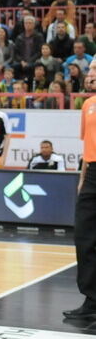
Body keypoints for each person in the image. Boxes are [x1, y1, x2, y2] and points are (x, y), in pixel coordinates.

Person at [66, 70, 96, 320]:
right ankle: (91, 299)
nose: (91, 75)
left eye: (95, 71)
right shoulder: (87, 105)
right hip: (92, 174)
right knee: (84, 238)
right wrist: (83, 178)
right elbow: (88, 145)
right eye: (90, 72)